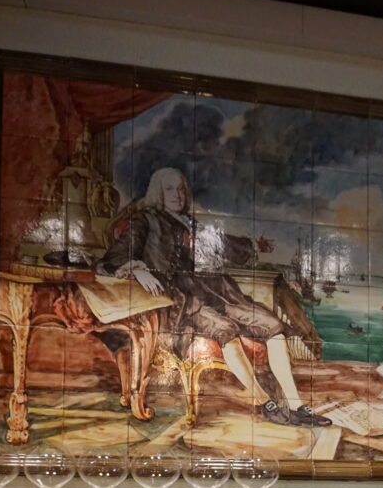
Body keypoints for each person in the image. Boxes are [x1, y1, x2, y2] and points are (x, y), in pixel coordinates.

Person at [96, 167, 331, 427]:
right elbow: (116, 256)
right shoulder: (145, 220)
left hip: (217, 293)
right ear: (158, 192)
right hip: (181, 303)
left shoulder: (191, 223)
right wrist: (137, 270)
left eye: (181, 189)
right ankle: (266, 403)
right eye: (170, 189)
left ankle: (297, 405)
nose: (177, 194)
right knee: (226, 330)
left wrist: (254, 245)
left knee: (273, 325)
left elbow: (224, 244)